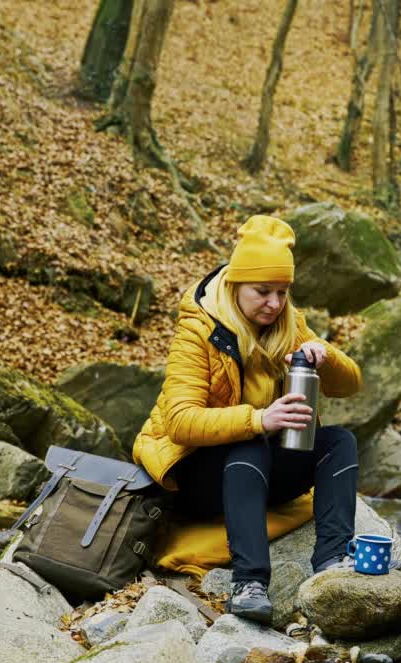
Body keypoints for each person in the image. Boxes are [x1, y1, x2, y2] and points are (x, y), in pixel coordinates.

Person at [133, 215, 363, 624]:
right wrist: (260, 419)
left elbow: (349, 385)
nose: (274, 304)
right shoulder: (197, 330)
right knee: (250, 442)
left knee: (339, 441)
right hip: (193, 476)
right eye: (263, 291)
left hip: (255, 470)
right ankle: (249, 581)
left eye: (282, 292)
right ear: (237, 284)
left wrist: (325, 356)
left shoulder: (287, 324)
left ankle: (332, 562)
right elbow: (180, 422)